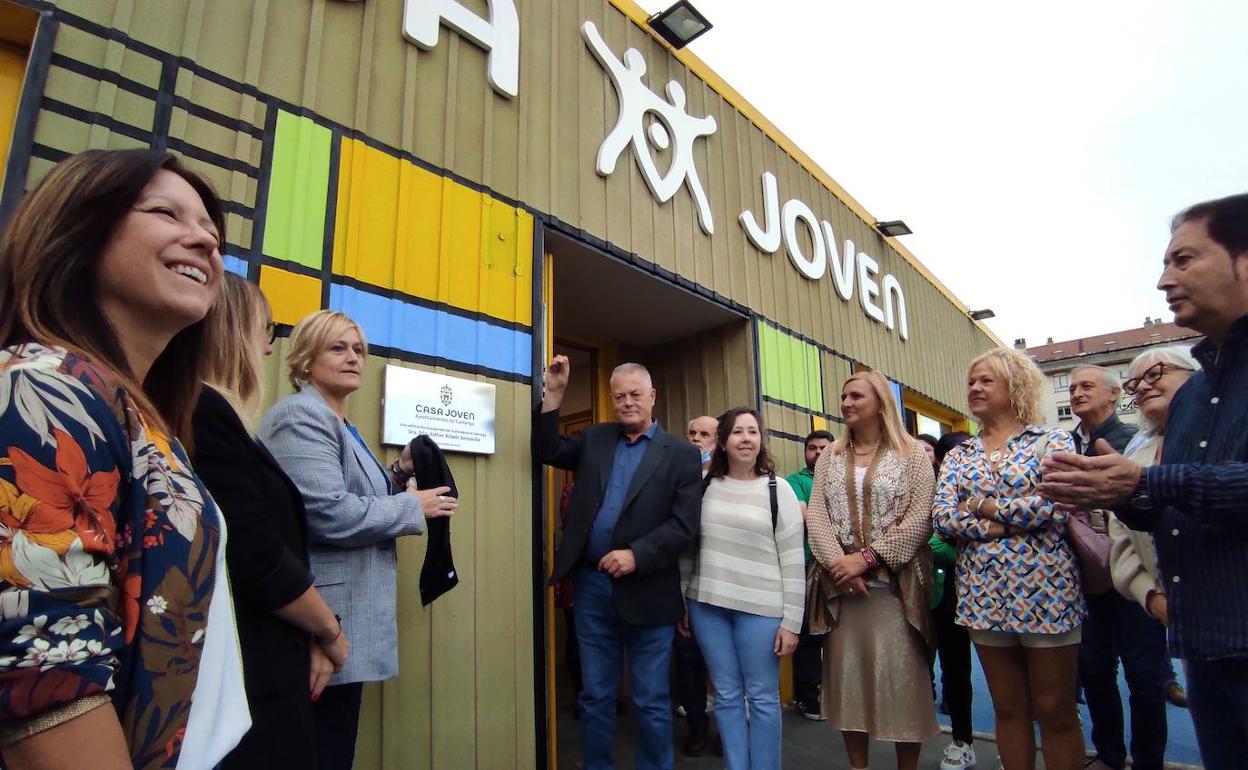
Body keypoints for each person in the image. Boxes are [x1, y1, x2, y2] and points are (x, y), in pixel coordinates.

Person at [0, 149, 249, 769]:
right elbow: (43, 679)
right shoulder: (43, 387)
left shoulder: (139, 414)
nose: (204, 242)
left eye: (213, 236)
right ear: (80, 228)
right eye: (167, 213)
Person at [1038, 193, 1248, 770]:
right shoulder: (1201, 395)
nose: (1163, 280)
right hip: (1207, 647)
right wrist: (1125, 494)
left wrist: (1142, 483)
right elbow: (1179, 509)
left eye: (1184, 260)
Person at [258, 310, 458, 770]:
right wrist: (414, 507)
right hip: (319, 628)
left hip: (343, 622)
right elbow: (328, 513)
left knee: (333, 746)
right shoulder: (300, 418)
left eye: (359, 350)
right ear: (306, 360)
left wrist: (400, 470)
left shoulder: (341, 423)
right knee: (320, 751)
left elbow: (354, 495)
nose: (353, 358)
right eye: (338, 348)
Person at [190, 275, 352, 767]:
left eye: (359, 349)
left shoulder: (235, 422)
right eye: (265, 329)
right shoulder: (212, 414)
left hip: (278, 650)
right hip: (255, 660)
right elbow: (261, 547)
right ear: (231, 331)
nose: (266, 347)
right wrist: (329, 630)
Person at [537, 357, 702, 770]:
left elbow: (684, 526)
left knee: (650, 700)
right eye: (619, 396)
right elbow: (546, 448)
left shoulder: (682, 454)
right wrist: (554, 394)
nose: (627, 402)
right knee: (595, 697)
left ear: (652, 397)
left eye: (635, 394)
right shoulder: (595, 439)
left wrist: (637, 555)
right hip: (592, 588)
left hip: (649, 590)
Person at [934, 347, 1086, 770]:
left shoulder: (1051, 440)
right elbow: (943, 516)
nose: (975, 388)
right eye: (971, 382)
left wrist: (981, 508)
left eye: (986, 380)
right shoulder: (960, 454)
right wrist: (1004, 523)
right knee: (1008, 709)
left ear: (1014, 385)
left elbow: (1054, 504)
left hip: (1047, 593)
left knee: (1055, 710)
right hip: (983, 595)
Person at [806, 371, 937, 770]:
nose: (846, 402)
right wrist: (838, 566)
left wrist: (865, 559)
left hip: (895, 589)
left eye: (855, 396)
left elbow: (921, 518)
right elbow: (816, 515)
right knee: (849, 683)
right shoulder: (831, 456)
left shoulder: (912, 453)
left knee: (904, 685)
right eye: (843, 396)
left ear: (880, 402)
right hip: (844, 590)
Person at [682, 407, 804, 770]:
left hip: (762, 610)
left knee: (763, 698)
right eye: (737, 432)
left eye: (753, 431)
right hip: (707, 607)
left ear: (761, 440)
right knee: (726, 696)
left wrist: (792, 621)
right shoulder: (703, 487)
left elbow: (794, 558)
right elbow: (688, 551)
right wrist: (683, 602)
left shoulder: (777, 489)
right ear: (723, 441)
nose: (746, 438)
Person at [1067, 366, 1171, 770]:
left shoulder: (1137, 443)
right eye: (1072, 387)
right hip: (1087, 576)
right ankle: (1109, 756)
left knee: (1145, 678)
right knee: (1094, 671)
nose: (1075, 393)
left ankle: (1148, 763)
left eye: (1085, 386)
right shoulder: (1067, 443)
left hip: (1134, 576)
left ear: (1114, 395)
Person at [925, 431, 977, 770]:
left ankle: (1016, 751)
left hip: (996, 590)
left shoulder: (992, 482)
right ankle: (963, 741)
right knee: (956, 670)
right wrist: (953, 549)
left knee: (1010, 675)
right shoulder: (932, 492)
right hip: (946, 594)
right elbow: (930, 539)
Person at [676, 415, 719, 756]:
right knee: (688, 660)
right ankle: (697, 728)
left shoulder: (726, 481)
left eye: (705, 434)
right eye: (692, 432)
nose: (696, 439)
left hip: (725, 586)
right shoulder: (676, 477)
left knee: (726, 667)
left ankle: (728, 731)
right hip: (689, 585)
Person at [785, 429, 833, 721]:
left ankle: (839, 695)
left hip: (843, 567)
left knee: (839, 635)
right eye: (812, 448)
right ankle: (808, 698)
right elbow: (807, 519)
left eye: (823, 448)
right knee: (808, 634)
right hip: (807, 565)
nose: (817, 452)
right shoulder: (795, 481)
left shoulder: (843, 479)